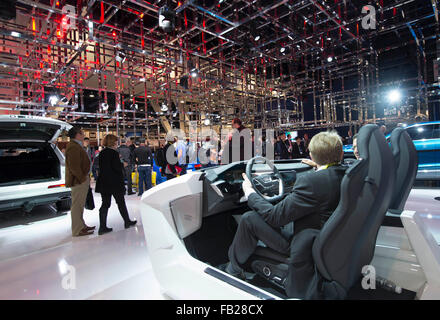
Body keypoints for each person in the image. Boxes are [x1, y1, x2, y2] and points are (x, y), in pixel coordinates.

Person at [223, 131, 346, 280]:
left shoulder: (311, 182)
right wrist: (319, 166)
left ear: (312, 155)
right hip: (327, 241)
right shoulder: (347, 175)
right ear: (340, 154)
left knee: (249, 219)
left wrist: (249, 192)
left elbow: (274, 217)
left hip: (305, 247)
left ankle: (233, 269)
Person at [95, 134, 137, 235]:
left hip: (104, 182)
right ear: (113, 142)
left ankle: (102, 227)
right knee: (120, 202)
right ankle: (127, 221)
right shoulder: (114, 153)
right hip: (114, 182)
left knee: (105, 204)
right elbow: (116, 167)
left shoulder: (102, 153)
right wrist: (123, 165)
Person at [65, 127, 95, 237]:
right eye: (82, 134)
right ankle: (77, 229)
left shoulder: (76, 146)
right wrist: (82, 178)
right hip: (78, 181)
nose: (83, 135)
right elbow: (74, 167)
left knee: (80, 204)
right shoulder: (73, 147)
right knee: (77, 205)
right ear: (77, 135)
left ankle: (81, 225)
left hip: (81, 179)